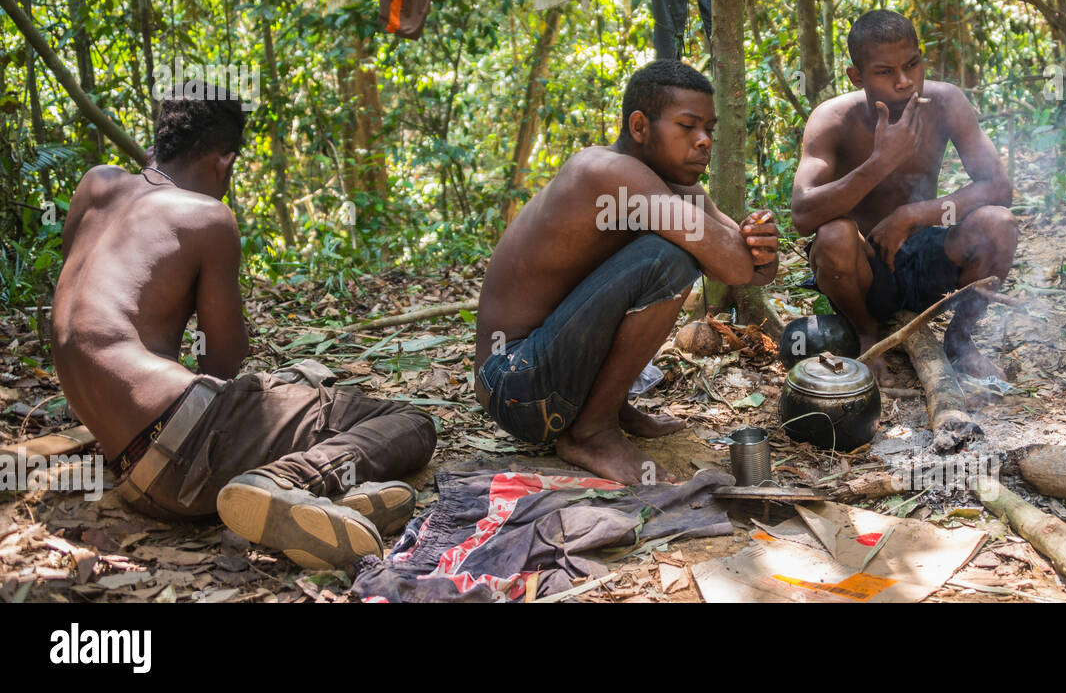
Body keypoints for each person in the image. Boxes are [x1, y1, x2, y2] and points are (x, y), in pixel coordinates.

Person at [51, 84, 437, 570]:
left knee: (293, 390)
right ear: (224, 161)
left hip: (132, 473)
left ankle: (331, 503)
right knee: (411, 422)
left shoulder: (96, 186)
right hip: (187, 447)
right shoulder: (207, 217)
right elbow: (223, 362)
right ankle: (287, 483)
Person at [475, 60, 779, 485]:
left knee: (676, 247)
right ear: (639, 127)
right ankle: (590, 433)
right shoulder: (605, 172)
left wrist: (763, 243)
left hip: (552, 376)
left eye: (709, 128)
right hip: (515, 386)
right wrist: (743, 251)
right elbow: (729, 260)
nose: (704, 141)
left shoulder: (679, 187)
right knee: (668, 257)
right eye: (687, 127)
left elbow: (750, 273)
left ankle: (607, 410)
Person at [791, 10, 1017, 381]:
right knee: (833, 237)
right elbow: (803, 215)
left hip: (928, 259)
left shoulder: (946, 103)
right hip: (865, 275)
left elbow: (998, 187)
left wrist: (913, 215)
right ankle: (866, 335)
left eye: (913, 64)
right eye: (885, 72)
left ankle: (961, 339)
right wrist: (879, 163)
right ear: (856, 76)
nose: (905, 82)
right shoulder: (833, 120)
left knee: (998, 224)